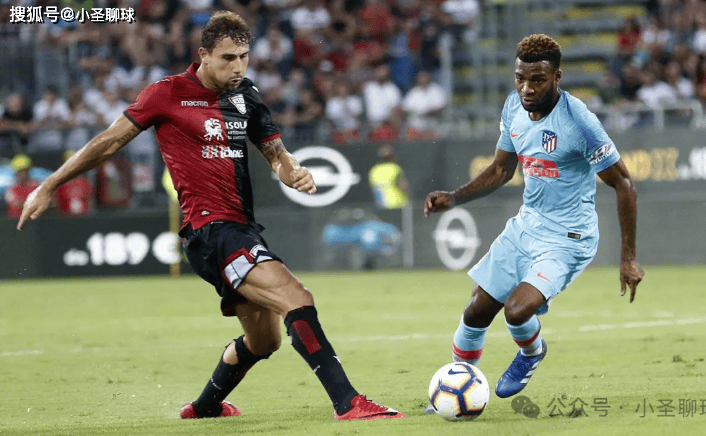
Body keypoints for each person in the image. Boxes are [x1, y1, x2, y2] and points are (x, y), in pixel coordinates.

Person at [17, 11, 404, 422]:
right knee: (297, 298)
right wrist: (49, 184)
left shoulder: (247, 95)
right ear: (203, 55)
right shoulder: (166, 93)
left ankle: (203, 408)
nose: (238, 67)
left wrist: (292, 172)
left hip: (241, 229)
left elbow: (276, 153)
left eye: (244, 57)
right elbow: (109, 142)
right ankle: (348, 402)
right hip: (211, 231)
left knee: (265, 340)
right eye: (228, 58)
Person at [423, 34, 644, 404]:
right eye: (520, 78)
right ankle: (456, 394)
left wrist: (629, 257)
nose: (526, 88)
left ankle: (531, 352)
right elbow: (500, 170)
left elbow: (624, 183)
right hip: (526, 226)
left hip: (568, 238)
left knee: (516, 310)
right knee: (476, 311)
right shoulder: (513, 106)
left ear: (557, 77)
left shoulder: (579, 122)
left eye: (537, 80)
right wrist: (455, 197)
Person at [368, 144, 410, 210]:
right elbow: (404, 186)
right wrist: (409, 200)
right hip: (398, 204)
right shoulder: (395, 168)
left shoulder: (373, 171)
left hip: (382, 206)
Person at [5, 154, 39, 218]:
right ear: (16, 172)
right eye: (21, 171)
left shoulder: (36, 185)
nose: (23, 174)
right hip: (15, 220)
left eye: (25, 171)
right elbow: (15, 203)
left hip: (34, 220)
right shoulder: (11, 187)